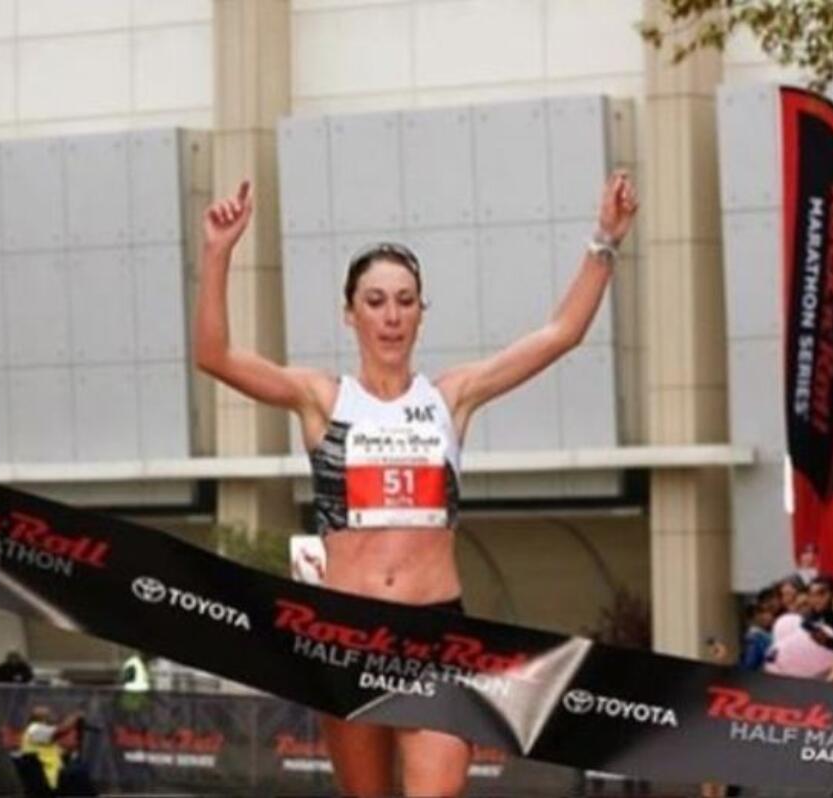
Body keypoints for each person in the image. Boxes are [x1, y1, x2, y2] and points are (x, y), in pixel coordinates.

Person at [194, 173, 637, 797]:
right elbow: (215, 356)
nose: (391, 315)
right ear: (350, 314)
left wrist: (605, 241)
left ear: (421, 314)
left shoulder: (450, 397)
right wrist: (218, 252)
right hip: (346, 637)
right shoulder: (322, 399)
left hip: (436, 635)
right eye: (375, 301)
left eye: (405, 300)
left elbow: (560, 334)